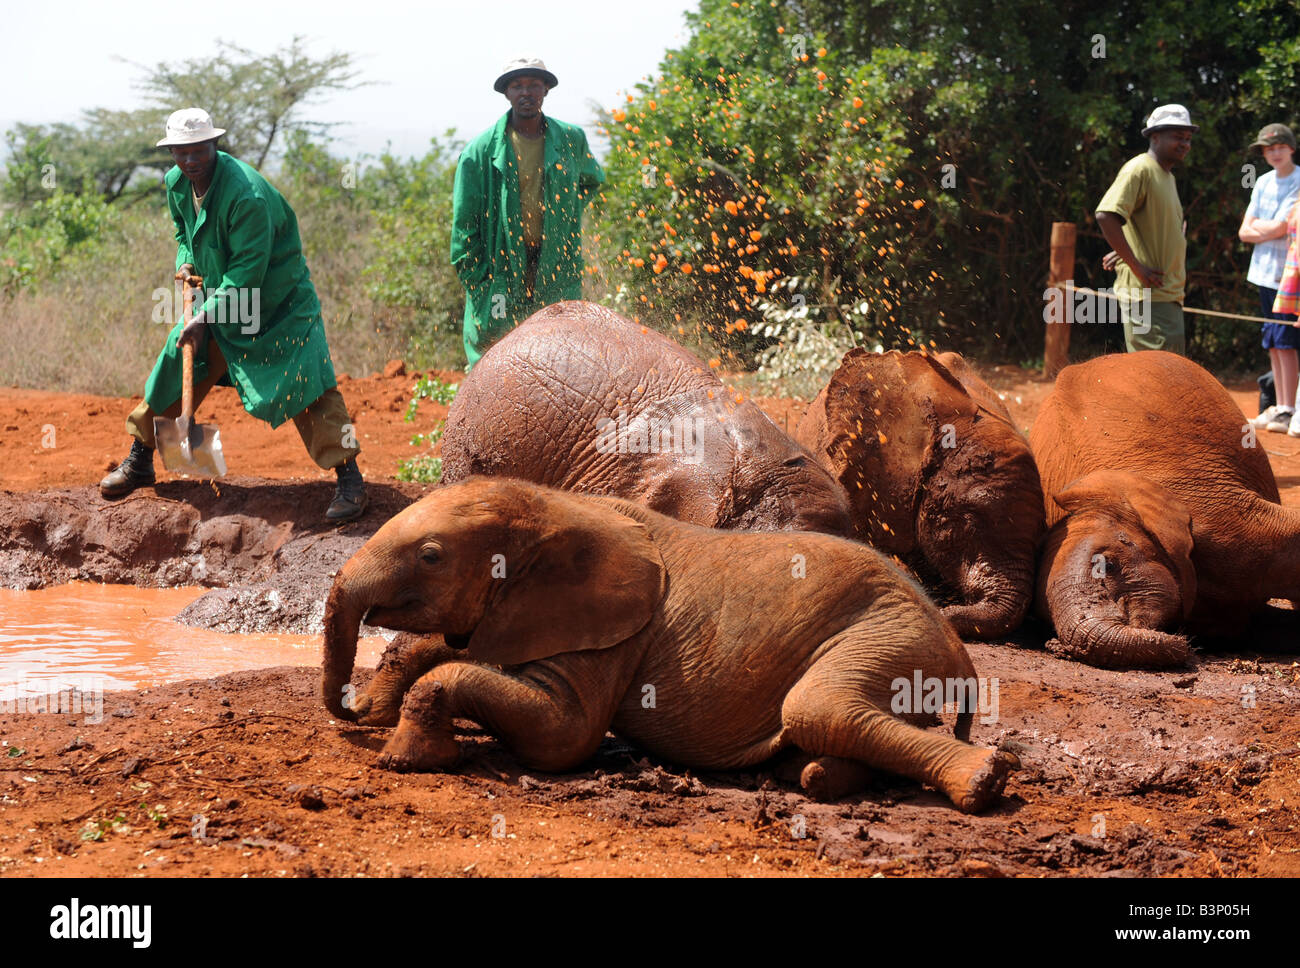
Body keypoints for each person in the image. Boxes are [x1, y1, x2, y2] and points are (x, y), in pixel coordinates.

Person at [99, 109, 367, 521]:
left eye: (199, 151)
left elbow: (248, 274)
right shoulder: (177, 184)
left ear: (215, 146)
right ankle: (140, 459)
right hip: (220, 298)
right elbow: (183, 234)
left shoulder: (247, 197)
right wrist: (187, 263)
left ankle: (349, 478)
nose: (190, 161)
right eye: (181, 152)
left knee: (306, 382)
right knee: (178, 357)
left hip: (278, 305)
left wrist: (204, 317)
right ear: (171, 151)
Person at [450, 56, 605, 368]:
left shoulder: (571, 139)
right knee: (495, 361)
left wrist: (565, 216)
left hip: (556, 267)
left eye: (534, 84)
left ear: (546, 89)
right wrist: (481, 281)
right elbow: (463, 228)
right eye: (517, 85)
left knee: (562, 356)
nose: (526, 92)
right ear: (506, 93)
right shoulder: (479, 152)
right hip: (501, 270)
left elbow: (591, 180)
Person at [1096, 104, 1196, 354]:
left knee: (1167, 379)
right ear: (1155, 136)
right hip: (1147, 298)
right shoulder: (1139, 169)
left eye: (1187, 138)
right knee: (1157, 382)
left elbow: (1145, 229)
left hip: (1167, 296)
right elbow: (1106, 215)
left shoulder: (1167, 177)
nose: (1184, 143)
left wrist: (1125, 252)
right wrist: (1136, 266)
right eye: (1177, 137)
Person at [1242, 124, 1300, 432]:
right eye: (1268, 149)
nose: (1274, 153)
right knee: (1273, 340)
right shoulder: (1262, 182)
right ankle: (1279, 403)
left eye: (1279, 146)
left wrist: (1261, 229)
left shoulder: (1299, 179)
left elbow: (1281, 227)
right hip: (1262, 272)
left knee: (1286, 340)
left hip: (1288, 274)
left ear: (1291, 147)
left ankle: (1288, 408)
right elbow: (1243, 230)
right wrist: (1267, 228)